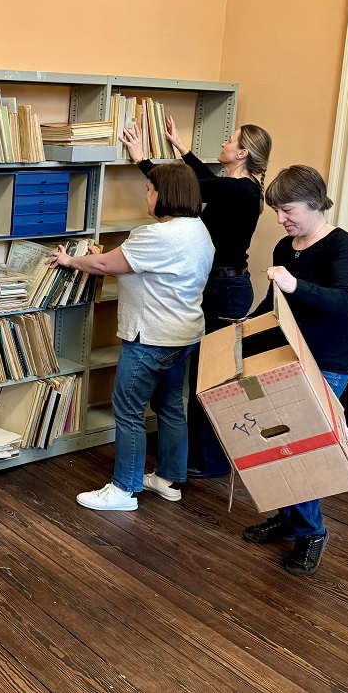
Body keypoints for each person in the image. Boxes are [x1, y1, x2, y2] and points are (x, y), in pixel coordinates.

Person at [52, 164, 213, 511]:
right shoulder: (199, 230)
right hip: (184, 335)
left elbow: (110, 267)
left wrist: (70, 259)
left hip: (151, 337)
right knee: (171, 405)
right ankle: (169, 480)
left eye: (149, 189)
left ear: (164, 194)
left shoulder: (156, 235)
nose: (146, 195)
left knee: (127, 408)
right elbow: (141, 270)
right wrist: (103, 259)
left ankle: (124, 490)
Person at [123, 117, 273, 479]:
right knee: (202, 378)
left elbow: (191, 189)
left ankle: (210, 462)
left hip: (225, 292)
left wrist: (143, 159)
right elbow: (208, 181)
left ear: (242, 153)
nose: (224, 141)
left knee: (212, 381)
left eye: (230, 139)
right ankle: (193, 457)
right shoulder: (240, 187)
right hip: (221, 288)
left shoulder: (239, 191)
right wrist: (182, 148)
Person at [242, 165, 348, 577]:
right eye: (276, 210)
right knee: (279, 442)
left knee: (301, 448)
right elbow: (277, 302)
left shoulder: (342, 246)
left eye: (287, 209)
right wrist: (245, 324)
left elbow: (344, 302)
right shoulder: (284, 246)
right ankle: (290, 518)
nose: (280, 219)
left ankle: (311, 532)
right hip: (289, 356)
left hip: (329, 361)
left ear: (314, 202)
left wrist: (295, 285)